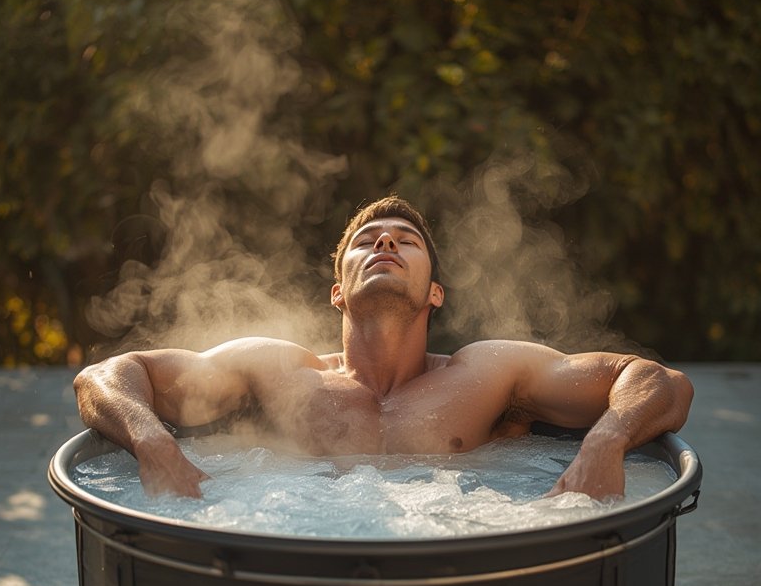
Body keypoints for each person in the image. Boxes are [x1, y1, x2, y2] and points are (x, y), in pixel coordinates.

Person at [73, 195, 693, 499]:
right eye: (368, 241)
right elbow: (108, 375)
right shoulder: (279, 370)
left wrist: (605, 441)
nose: (386, 246)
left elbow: (658, 381)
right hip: (294, 543)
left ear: (437, 294)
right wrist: (151, 439)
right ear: (338, 292)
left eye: (405, 241)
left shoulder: (489, 372)